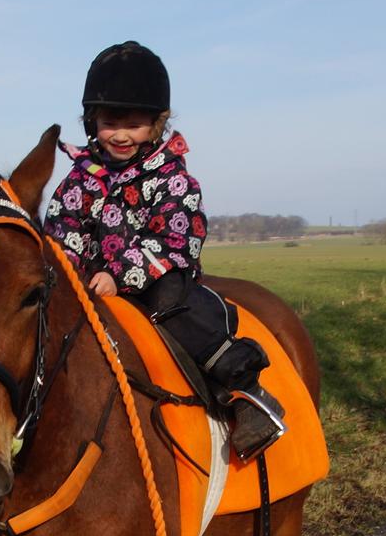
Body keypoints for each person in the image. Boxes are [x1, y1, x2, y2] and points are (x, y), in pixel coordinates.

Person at [44, 40, 285, 459]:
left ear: (155, 125)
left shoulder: (172, 178)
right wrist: (68, 272)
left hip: (157, 273)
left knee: (179, 309)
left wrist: (119, 275)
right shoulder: (79, 181)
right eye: (110, 121)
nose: (120, 134)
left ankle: (244, 393)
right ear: (91, 121)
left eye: (134, 123)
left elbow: (177, 238)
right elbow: (64, 231)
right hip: (94, 283)